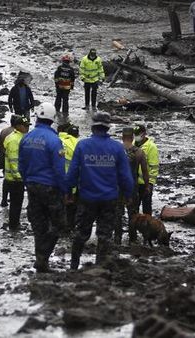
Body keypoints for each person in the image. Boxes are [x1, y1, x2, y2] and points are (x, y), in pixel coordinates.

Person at [66, 111, 135, 270]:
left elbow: (72, 172)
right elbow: (126, 176)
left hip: (87, 198)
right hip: (109, 199)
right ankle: (99, 267)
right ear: (107, 128)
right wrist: (128, 195)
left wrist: (69, 191)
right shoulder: (117, 148)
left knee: (81, 233)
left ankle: (74, 265)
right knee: (104, 235)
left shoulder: (82, 145)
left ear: (93, 127)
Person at [19, 102, 67, 272]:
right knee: (59, 223)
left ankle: (41, 259)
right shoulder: (55, 141)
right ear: (52, 119)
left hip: (32, 186)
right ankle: (43, 256)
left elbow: (21, 166)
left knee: (38, 224)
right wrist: (65, 189)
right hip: (51, 188)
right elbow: (59, 169)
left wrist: (28, 182)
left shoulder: (26, 138)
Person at [119, 126, 150, 244]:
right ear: (132, 138)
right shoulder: (139, 152)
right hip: (132, 187)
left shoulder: (116, 150)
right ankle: (132, 239)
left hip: (118, 187)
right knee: (133, 214)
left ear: (122, 137)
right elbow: (145, 172)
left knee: (117, 214)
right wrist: (147, 186)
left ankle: (117, 239)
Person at [1, 115, 29, 229]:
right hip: (15, 178)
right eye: (24, 126)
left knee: (17, 202)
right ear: (18, 126)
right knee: (16, 203)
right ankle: (14, 225)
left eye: (27, 126)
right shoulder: (14, 140)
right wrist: (19, 176)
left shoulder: (18, 137)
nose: (26, 128)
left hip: (14, 177)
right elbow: (13, 160)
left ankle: (14, 223)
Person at [133, 124, 160, 216]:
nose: (136, 136)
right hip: (134, 182)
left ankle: (147, 226)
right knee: (133, 207)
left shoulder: (151, 147)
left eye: (138, 134)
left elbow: (154, 167)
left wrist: (150, 183)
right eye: (135, 134)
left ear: (144, 134)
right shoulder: (132, 145)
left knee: (147, 207)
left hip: (146, 183)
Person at [59, 122, 81, 230]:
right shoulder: (78, 144)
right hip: (72, 179)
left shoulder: (59, 142)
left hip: (59, 177)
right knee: (72, 206)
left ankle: (60, 225)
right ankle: (70, 226)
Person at [0, 115, 20, 207]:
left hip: (4, 158)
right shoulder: (18, 133)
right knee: (16, 181)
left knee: (6, 179)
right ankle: (13, 199)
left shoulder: (4, 131)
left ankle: (4, 199)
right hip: (15, 160)